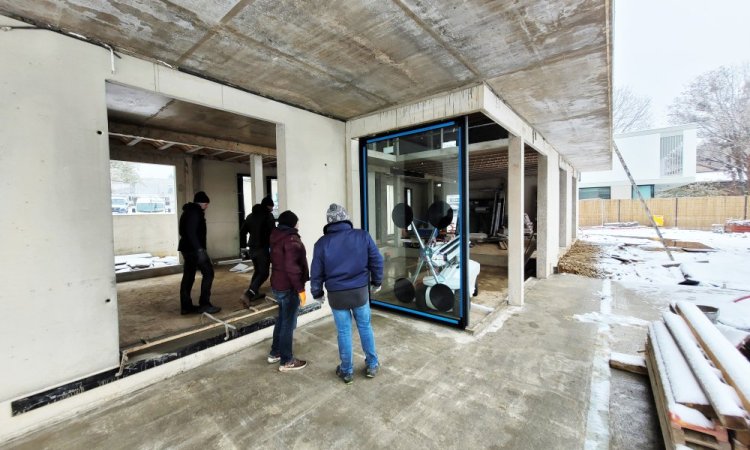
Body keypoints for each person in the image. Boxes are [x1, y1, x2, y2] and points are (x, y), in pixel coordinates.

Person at [310, 203, 383, 384]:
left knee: (343, 332)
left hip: (337, 295)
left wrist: (317, 292)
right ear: (346, 218)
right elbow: (377, 260)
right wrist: (377, 282)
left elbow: (316, 272)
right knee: (365, 327)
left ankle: (346, 371)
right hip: (360, 293)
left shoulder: (321, 243)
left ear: (329, 222)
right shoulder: (362, 236)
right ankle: (372, 365)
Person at [268, 210, 309, 372]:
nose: (298, 223)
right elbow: (292, 268)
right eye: (297, 221)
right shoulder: (291, 239)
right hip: (288, 287)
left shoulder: (276, 235)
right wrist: (300, 289)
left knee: (281, 319)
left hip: (277, 284)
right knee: (288, 323)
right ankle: (286, 360)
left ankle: (275, 352)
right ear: (292, 223)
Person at [178, 191, 221, 315]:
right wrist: (200, 250)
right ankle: (205, 304)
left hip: (187, 248)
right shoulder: (195, 213)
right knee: (208, 273)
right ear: (202, 203)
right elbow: (191, 232)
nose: (207, 207)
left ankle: (186, 306)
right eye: (206, 204)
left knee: (188, 276)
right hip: (194, 250)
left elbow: (183, 232)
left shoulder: (187, 212)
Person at [239, 196, 276, 307]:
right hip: (263, 249)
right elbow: (273, 232)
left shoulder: (250, 216)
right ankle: (248, 294)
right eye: (271, 207)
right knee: (264, 273)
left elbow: (242, 232)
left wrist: (243, 246)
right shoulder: (268, 216)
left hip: (252, 249)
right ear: (267, 206)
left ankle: (254, 292)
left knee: (257, 271)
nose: (272, 209)